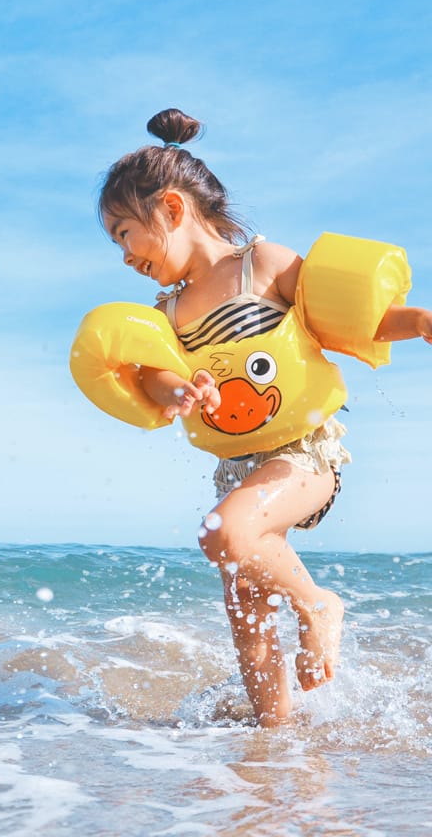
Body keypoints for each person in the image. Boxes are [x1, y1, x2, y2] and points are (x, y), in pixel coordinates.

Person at [95, 107, 432, 727]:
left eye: (123, 233)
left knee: (221, 533)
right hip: (237, 468)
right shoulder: (166, 312)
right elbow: (158, 375)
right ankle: (272, 749)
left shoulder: (264, 265)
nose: (122, 255)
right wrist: (180, 392)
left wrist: (418, 322)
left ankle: (318, 605)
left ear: (170, 210)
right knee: (247, 615)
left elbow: (350, 322)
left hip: (305, 453)